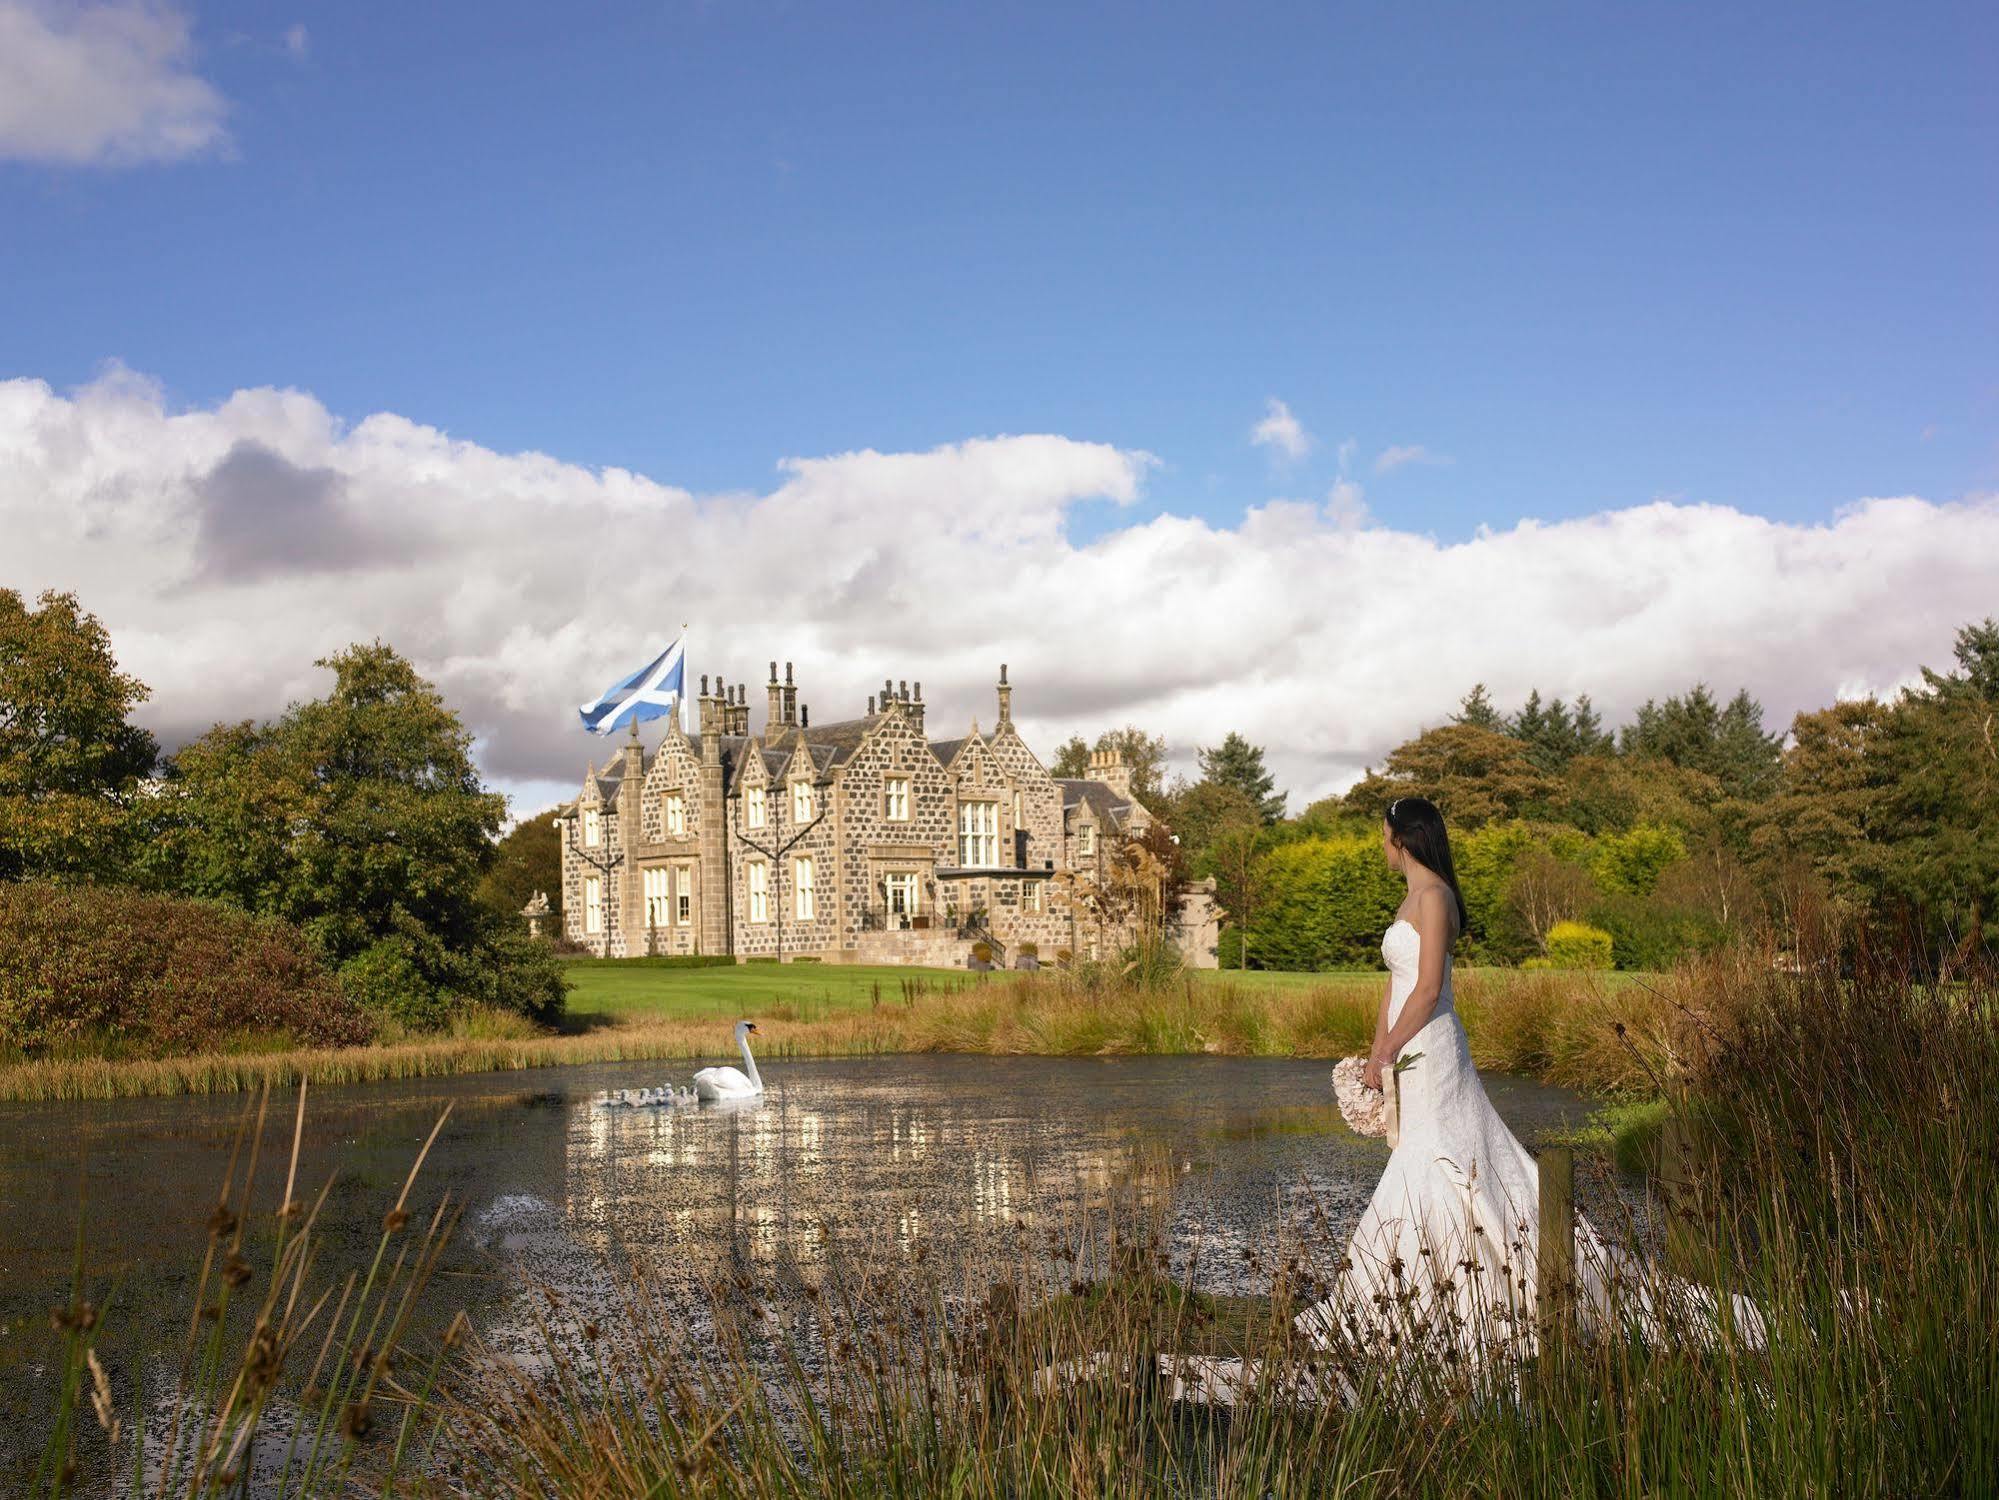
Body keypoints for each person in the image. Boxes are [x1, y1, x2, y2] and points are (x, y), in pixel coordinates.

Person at [1295, 796, 1763, 1364]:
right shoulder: (1406, 899)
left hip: (1432, 1049)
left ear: (1402, 837)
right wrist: (1375, 1053)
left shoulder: (1437, 896)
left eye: (1382, 834)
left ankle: (1461, 1299)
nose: (1380, 844)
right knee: (1420, 1155)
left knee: (1440, 1156)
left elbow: (1426, 992)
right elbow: (1394, 987)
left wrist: (1392, 1048)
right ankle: (1406, 1298)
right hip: (1404, 1048)